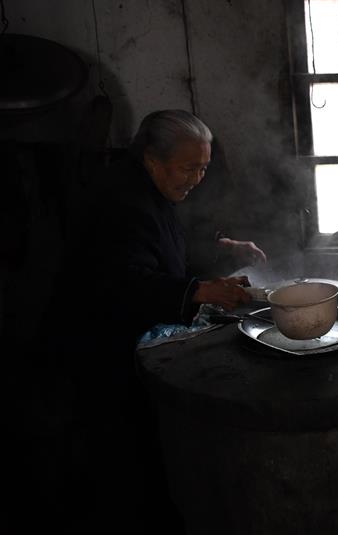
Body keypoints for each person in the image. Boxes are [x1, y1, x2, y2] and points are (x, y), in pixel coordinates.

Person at [48, 110, 267, 533]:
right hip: (96, 351)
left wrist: (224, 247)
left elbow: (167, 244)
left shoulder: (149, 189)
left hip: (119, 342)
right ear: (152, 160)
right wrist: (200, 291)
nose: (197, 178)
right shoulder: (120, 203)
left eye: (203, 167)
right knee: (123, 459)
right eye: (188, 168)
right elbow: (123, 282)